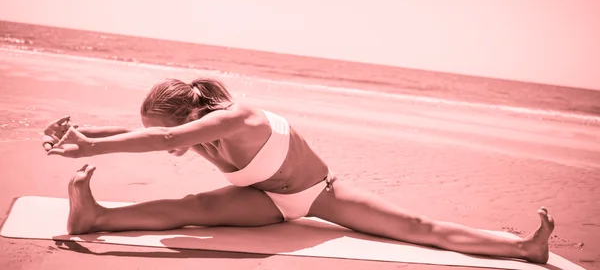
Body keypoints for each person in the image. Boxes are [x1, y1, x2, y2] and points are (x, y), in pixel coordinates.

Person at [42, 78, 555, 264]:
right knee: (191, 208)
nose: (165, 141)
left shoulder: (239, 117)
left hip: (320, 196)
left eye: (165, 130)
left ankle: (522, 248)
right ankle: (96, 218)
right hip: (261, 200)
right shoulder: (192, 130)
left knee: (419, 230)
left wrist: (89, 146)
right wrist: (85, 131)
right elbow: (156, 134)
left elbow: (167, 139)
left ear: (191, 117)